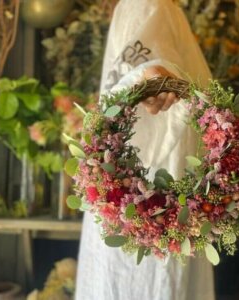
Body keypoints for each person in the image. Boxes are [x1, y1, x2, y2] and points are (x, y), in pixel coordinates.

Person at [75, 0, 215, 299]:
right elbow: (143, 65)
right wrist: (152, 76)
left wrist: (153, 76)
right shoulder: (147, 4)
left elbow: (149, 64)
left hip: (151, 203)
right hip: (148, 205)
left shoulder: (156, 6)